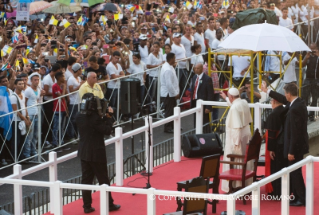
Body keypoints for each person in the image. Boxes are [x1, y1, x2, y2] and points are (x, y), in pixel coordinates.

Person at [261, 82, 309, 206]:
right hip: (298, 146)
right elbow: (282, 99)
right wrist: (267, 91)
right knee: (294, 172)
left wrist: (291, 151)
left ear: (288, 94)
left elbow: (295, 133)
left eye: (285, 94)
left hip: (295, 148)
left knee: (295, 172)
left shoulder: (294, 109)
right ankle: (298, 195)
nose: (284, 96)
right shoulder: (299, 102)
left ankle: (301, 198)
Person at [75, 93, 120, 213]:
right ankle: (109, 204)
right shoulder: (94, 118)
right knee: (103, 180)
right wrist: (109, 118)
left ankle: (87, 206)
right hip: (96, 153)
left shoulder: (78, 115)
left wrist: (104, 118)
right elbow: (106, 130)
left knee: (86, 180)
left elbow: (95, 125)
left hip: (84, 152)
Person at [219, 88, 253, 193]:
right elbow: (234, 105)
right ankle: (245, 184)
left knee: (235, 160)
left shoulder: (234, 108)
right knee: (245, 160)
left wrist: (236, 144)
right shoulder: (244, 102)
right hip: (245, 136)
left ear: (231, 97)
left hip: (236, 139)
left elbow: (236, 128)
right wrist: (226, 98)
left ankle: (234, 185)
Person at [264, 97, 287, 197]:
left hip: (275, 145)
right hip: (283, 144)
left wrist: (270, 149)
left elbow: (272, 133)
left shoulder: (273, 115)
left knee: (274, 169)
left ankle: (275, 191)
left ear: (274, 102)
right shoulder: (285, 110)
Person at [23, 73, 45, 159]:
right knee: (29, 136)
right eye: (35, 80)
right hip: (30, 114)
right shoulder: (28, 90)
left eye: (38, 80)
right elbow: (24, 103)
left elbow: (38, 101)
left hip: (36, 114)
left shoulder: (38, 89)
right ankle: (27, 154)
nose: (36, 81)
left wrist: (41, 95)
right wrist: (27, 116)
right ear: (31, 81)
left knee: (35, 134)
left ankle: (33, 151)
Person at [10, 79, 31, 160]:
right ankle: (15, 158)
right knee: (16, 140)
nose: (22, 85)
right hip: (16, 121)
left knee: (23, 139)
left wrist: (27, 117)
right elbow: (16, 111)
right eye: (19, 84)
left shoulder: (23, 93)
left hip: (23, 119)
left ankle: (21, 157)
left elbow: (24, 106)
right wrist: (24, 119)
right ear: (15, 85)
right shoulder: (13, 96)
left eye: (22, 84)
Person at [51, 72, 73, 148]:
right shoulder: (55, 86)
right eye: (63, 76)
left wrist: (66, 109)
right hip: (57, 109)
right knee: (56, 127)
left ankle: (61, 142)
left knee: (62, 127)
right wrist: (64, 88)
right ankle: (55, 143)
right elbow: (62, 97)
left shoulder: (61, 85)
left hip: (63, 108)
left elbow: (65, 100)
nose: (64, 78)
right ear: (59, 77)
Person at [190, 63, 214, 133]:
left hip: (203, 103)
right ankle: (197, 134)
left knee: (204, 121)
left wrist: (208, 106)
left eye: (198, 68)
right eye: (195, 68)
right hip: (195, 102)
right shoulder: (194, 77)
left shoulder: (207, 79)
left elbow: (210, 93)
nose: (196, 70)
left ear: (202, 69)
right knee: (196, 120)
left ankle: (206, 137)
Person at [160, 53, 179, 133]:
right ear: (171, 59)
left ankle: (172, 126)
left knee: (172, 110)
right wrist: (175, 93)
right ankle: (167, 127)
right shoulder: (167, 69)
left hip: (169, 93)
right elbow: (169, 84)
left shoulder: (169, 66)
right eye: (174, 58)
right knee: (169, 111)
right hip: (168, 94)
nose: (175, 59)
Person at [301, 43, 319, 121]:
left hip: (316, 79)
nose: (312, 51)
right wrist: (306, 57)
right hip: (307, 79)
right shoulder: (307, 56)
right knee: (305, 97)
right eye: (310, 49)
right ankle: (304, 114)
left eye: (313, 49)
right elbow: (302, 65)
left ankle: (311, 115)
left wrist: (318, 55)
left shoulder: (318, 57)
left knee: (315, 98)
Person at [67, 63, 84, 144]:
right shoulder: (71, 79)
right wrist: (79, 86)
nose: (81, 71)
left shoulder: (78, 78)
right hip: (73, 102)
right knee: (73, 119)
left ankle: (77, 135)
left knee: (78, 119)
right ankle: (71, 136)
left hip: (79, 101)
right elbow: (71, 91)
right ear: (77, 70)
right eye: (80, 69)